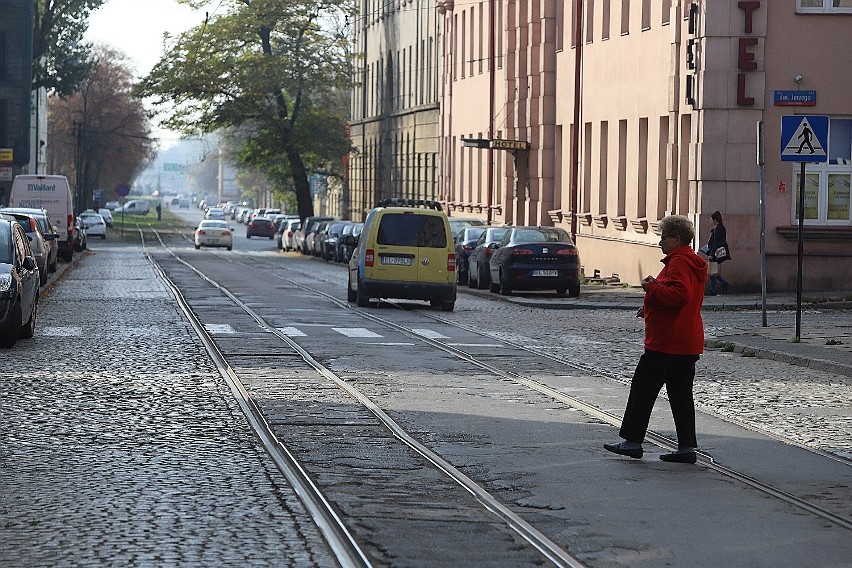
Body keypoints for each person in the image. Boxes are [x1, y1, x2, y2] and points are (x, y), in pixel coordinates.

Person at [604, 215, 707, 464]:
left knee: (642, 389)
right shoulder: (691, 262)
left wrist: (651, 288)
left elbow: (680, 295)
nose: (660, 242)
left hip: (667, 343)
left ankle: (632, 441)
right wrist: (650, 306)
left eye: (663, 238)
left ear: (676, 239)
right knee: (681, 395)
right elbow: (681, 299)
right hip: (686, 341)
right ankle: (685, 448)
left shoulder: (678, 262)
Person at [706, 211, 730, 295]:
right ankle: (713, 289)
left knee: (712, 271)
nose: (712, 221)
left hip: (715, 252)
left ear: (715, 219)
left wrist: (711, 254)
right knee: (713, 271)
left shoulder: (718, 228)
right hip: (716, 251)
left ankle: (721, 284)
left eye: (712, 219)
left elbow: (715, 242)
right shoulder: (720, 228)